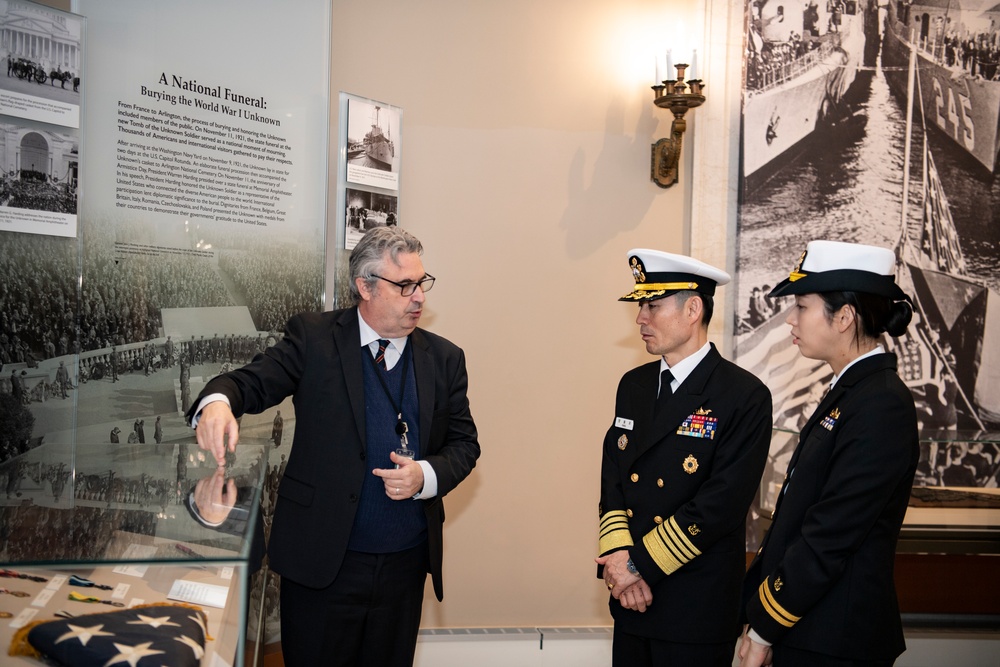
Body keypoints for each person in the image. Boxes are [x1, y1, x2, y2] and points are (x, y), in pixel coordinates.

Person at [186, 226, 480, 667]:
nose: (419, 297)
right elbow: (250, 381)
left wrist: (426, 476)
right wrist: (217, 403)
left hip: (403, 568)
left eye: (422, 283)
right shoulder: (315, 339)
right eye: (404, 286)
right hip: (323, 564)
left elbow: (464, 444)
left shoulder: (445, 358)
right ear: (365, 286)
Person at [739, 240, 919, 667]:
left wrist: (765, 626)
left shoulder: (881, 403)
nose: (790, 318)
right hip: (809, 627)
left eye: (802, 306)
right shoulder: (853, 391)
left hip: (834, 639)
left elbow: (830, 533)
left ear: (844, 317)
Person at [597, 249, 773, 667]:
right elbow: (614, 478)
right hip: (631, 599)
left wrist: (638, 565)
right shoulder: (634, 385)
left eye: (652, 305)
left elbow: (720, 505)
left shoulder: (743, 395)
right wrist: (620, 561)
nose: (640, 317)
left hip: (694, 607)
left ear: (693, 309)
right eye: (641, 306)